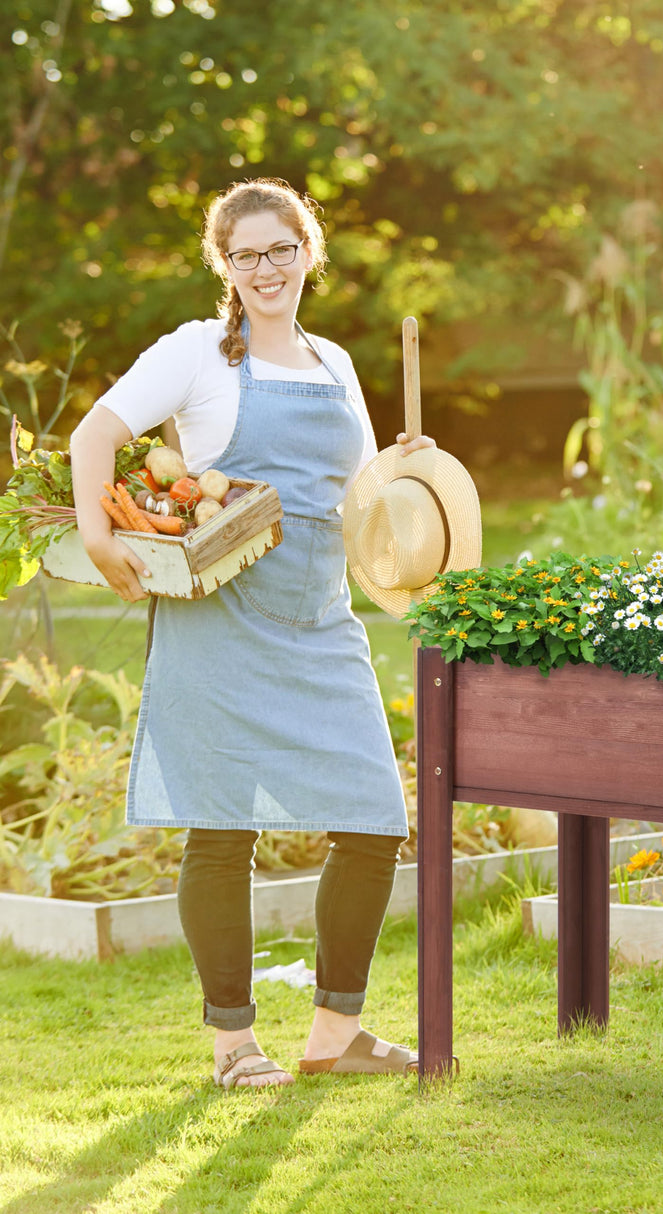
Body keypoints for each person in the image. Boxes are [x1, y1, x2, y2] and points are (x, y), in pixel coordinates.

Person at [70, 178, 430, 1089]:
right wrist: (96, 531)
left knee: (374, 818)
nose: (265, 268)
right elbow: (95, 434)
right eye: (246, 254)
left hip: (320, 618)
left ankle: (335, 1034)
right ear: (223, 265)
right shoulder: (197, 353)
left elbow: (346, 499)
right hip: (219, 614)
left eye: (282, 250)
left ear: (309, 252)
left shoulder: (337, 362)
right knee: (223, 830)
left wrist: (401, 471)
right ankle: (235, 1044)